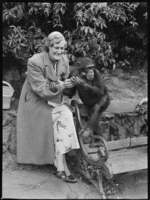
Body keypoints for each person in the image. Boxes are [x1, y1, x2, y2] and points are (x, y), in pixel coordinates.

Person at [16, 31, 80, 183]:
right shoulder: (35, 61)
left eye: (62, 48)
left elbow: (62, 79)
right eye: (55, 47)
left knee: (66, 114)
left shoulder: (64, 59)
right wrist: (62, 85)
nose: (59, 51)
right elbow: (41, 90)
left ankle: (60, 164)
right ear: (48, 47)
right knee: (58, 117)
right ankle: (62, 166)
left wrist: (69, 85)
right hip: (34, 101)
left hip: (52, 98)